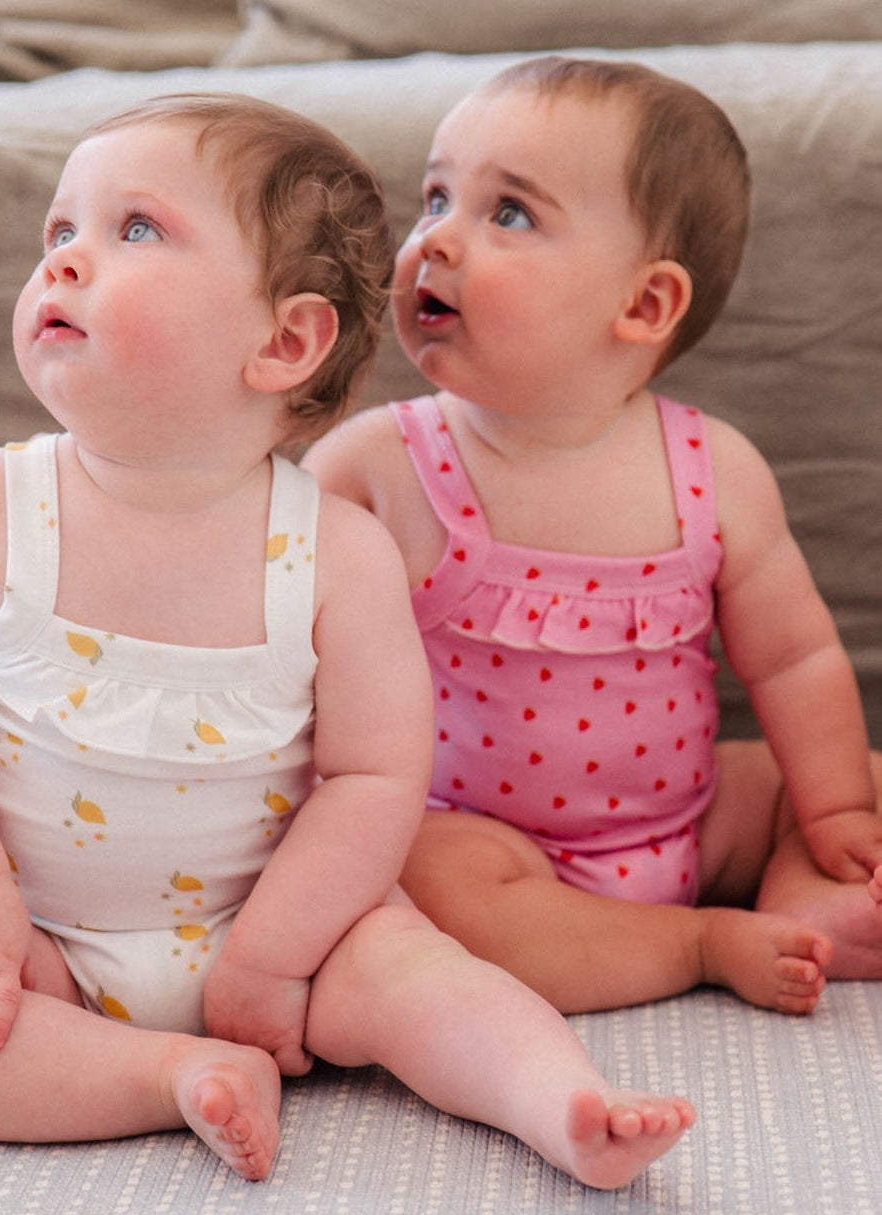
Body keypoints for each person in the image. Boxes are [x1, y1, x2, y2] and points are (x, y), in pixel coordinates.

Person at [0, 92, 696, 1190]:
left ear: (283, 341)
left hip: (285, 929)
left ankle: (558, 1102)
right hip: (39, 937)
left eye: (132, 229)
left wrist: (276, 953)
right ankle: (167, 1072)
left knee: (423, 972)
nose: (67, 262)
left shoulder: (334, 549)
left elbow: (372, 775)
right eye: (59, 232)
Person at [304, 57, 882, 1020]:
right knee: (421, 888)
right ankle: (695, 942)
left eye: (509, 213)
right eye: (436, 196)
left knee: (856, 778)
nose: (436, 238)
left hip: (695, 821)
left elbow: (793, 661)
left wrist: (830, 814)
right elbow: (273, 644)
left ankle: (804, 890)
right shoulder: (375, 467)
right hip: (481, 836)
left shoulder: (716, 471)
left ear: (645, 306)